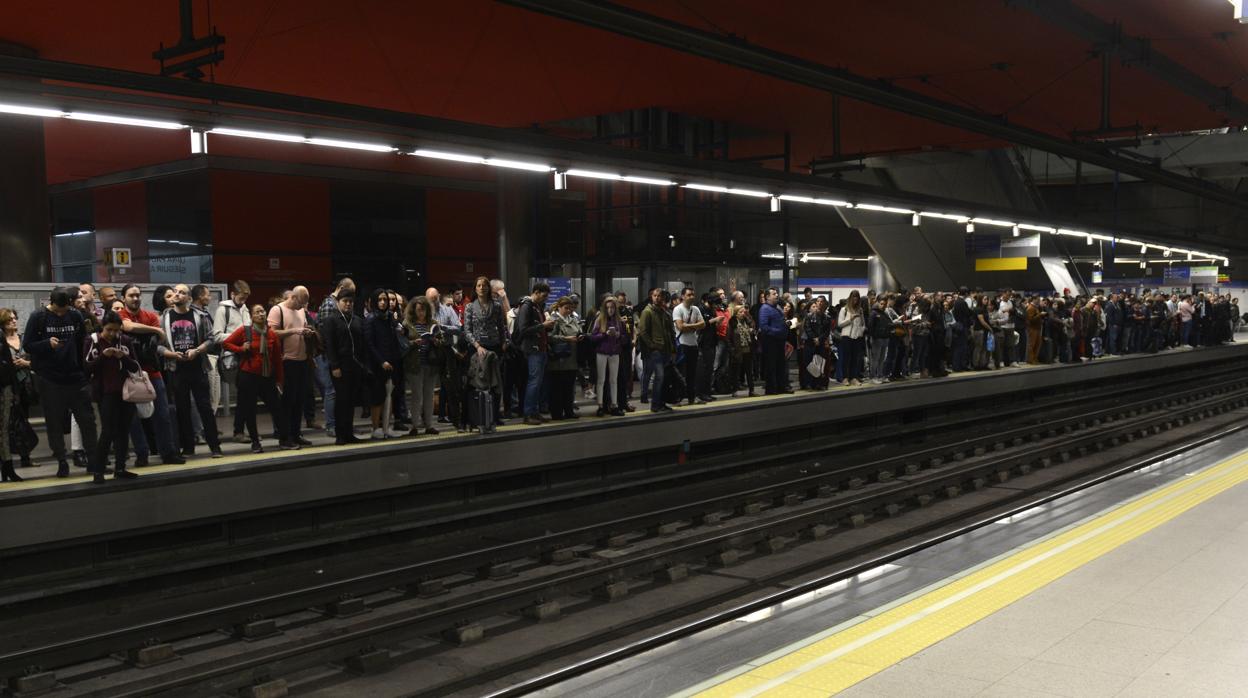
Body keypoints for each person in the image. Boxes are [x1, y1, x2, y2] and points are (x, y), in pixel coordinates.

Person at [23, 287, 100, 477]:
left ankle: (93, 460)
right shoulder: (38, 317)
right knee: (54, 423)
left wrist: (85, 370)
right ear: (51, 303)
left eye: (64, 310)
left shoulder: (74, 316)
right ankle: (61, 460)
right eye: (58, 310)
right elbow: (28, 344)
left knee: (87, 420)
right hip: (50, 378)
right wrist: (46, 344)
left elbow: (84, 341)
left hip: (75, 377)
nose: (61, 313)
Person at [117, 284, 183, 466]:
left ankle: (168, 452)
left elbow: (161, 340)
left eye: (138, 295)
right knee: (133, 417)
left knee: (162, 414)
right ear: (124, 298)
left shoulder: (150, 316)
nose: (136, 298)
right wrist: (154, 330)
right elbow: (127, 327)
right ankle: (142, 454)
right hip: (129, 374)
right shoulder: (120, 315)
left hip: (152, 372)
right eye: (131, 295)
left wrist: (153, 331)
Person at [161, 284, 224, 458]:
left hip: (198, 368)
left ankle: (215, 447)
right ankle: (188, 447)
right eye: (175, 292)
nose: (177, 294)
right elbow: (158, 346)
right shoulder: (165, 317)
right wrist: (171, 354)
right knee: (182, 409)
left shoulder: (200, 315)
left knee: (205, 408)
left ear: (189, 298)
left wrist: (196, 351)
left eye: (182, 292)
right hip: (176, 368)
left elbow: (212, 339)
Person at [223, 304, 294, 453]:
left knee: (276, 408)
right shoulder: (245, 330)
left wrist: (280, 380)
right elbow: (226, 343)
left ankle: (284, 439)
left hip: (267, 376)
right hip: (247, 376)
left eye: (263, 311)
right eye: (257, 312)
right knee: (249, 410)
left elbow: (277, 360)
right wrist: (241, 349)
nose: (261, 314)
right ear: (252, 316)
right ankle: (255, 442)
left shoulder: (271, 334)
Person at [84, 311, 141, 483]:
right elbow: (87, 368)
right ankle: (98, 470)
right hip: (105, 392)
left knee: (123, 431)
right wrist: (103, 356)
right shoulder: (92, 341)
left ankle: (120, 468)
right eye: (109, 330)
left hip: (126, 392)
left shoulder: (125, 341)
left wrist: (123, 356)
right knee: (108, 431)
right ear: (103, 326)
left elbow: (135, 366)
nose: (112, 334)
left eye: (116, 330)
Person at [268, 286, 316, 447]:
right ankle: (284, 437)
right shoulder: (277, 310)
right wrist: (294, 331)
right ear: (293, 297)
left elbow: (302, 327)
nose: (302, 307)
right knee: (287, 401)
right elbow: (272, 334)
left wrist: (307, 331)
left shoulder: (301, 311)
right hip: (285, 361)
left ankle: (296, 433)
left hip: (302, 360)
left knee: (299, 400)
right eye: (300, 303)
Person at [321, 291, 365, 445]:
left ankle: (349, 432)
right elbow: (329, 345)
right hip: (339, 366)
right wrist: (334, 366)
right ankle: (340, 434)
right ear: (338, 302)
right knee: (341, 400)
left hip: (355, 366)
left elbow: (361, 344)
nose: (348, 304)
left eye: (351, 302)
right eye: (345, 301)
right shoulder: (331, 320)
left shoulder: (357, 320)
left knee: (351, 401)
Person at [315, 278, 356, 439]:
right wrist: (333, 362)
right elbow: (327, 335)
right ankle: (332, 426)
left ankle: (344, 426)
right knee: (331, 391)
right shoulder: (329, 305)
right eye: (348, 295)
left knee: (341, 393)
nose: (349, 300)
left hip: (341, 358)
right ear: (340, 288)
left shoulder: (341, 307)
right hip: (329, 357)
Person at [463, 276, 507, 425]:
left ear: (489, 288)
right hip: (476, 347)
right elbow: (467, 330)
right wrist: (477, 346)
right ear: (475, 288)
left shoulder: (496, 306)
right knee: (475, 382)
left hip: (494, 346)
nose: (482, 288)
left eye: (484, 285)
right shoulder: (469, 307)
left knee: (495, 382)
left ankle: (494, 415)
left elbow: (502, 326)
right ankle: (474, 416)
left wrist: (503, 342)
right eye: (479, 285)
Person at [363, 288, 403, 439]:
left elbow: (394, 338)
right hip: (376, 365)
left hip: (392, 362)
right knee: (377, 398)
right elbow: (369, 344)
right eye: (379, 300)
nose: (383, 302)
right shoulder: (371, 319)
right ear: (374, 301)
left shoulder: (389, 319)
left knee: (389, 395)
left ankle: (387, 427)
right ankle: (375, 428)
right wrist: (381, 361)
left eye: (385, 300)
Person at [214, 280, 251, 442]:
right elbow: (217, 335)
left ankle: (244, 430)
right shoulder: (223, 310)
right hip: (233, 357)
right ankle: (239, 431)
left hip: (247, 356)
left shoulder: (245, 309)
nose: (243, 302)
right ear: (232, 295)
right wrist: (238, 338)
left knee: (246, 396)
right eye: (241, 298)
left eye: (245, 299)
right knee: (243, 395)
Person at [1, 308, 35, 481]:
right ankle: (7, 463)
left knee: (15, 423)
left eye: (14, 319)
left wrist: (26, 363)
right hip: (8, 383)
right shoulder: (2, 339)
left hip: (18, 384)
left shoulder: (20, 339)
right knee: (6, 426)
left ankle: (17, 461)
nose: (13, 322)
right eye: (9, 320)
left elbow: (33, 360)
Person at [513, 282, 553, 426]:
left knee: (538, 383)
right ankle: (528, 413)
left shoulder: (537, 307)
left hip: (540, 348)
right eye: (543, 296)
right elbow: (523, 329)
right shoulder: (527, 306)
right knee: (534, 382)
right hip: (532, 349)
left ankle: (534, 411)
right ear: (536, 292)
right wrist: (543, 325)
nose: (545, 299)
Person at [402, 296, 443, 436]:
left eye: (423, 310)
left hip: (430, 364)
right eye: (418, 310)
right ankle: (414, 425)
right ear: (413, 310)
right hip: (414, 365)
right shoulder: (407, 324)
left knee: (429, 395)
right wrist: (414, 342)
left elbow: (441, 341)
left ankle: (429, 425)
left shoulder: (433, 323)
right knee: (416, 395)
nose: (421, 313)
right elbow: (402, 344)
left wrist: (436, 342)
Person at [637, 288, 675, 413]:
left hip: (665, 349)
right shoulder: (647, 312)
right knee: (659, 376)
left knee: (662, 377)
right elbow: (642, 331)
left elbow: (670, 332)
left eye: (660, 296)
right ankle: (655, 404)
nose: (657, 298)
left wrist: (672, 349)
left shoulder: (664, 312)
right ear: (651, 297)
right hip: (655, 350)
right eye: (655, 295)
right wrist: (652, 345)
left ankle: (661, 403)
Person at [547, 297, 583, 420]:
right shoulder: (554, 320)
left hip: (572, 358)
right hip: (558, 359)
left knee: (569, 387)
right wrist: (566, 339)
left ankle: (569, 411)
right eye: (566, 308)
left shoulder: (573, 320)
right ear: (559, 307)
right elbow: (550, 338)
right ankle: (557, 413)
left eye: (570, 308)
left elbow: (578, 331)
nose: (568, 311)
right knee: (558, 388)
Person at [590, 295, 626, 416]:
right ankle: (600, 405)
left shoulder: (619, 321)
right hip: (602, 352)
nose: (610, 310)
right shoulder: (599, 320)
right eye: (608, 307)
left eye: (612, 307)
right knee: (601, 380)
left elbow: (624, 338)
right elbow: (593, 337)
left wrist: (618, 336)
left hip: (614, 352)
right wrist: (604, 334)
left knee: (613, 380)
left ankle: (614, 405)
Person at [672, 288, 706, 405]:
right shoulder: (678, 309)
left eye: (693, 294)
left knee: (692, 373)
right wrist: (695, 326)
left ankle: (692, 397)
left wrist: (689, 325)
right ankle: (678, 398)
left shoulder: (695, 309)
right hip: (682, 345)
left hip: (693, 345)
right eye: (689, 295)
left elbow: (703, 324)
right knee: (681, 373)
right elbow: (681, 327)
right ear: (683, 296)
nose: (691, 296)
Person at [758, 288, 790, 394]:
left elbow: (780, 321)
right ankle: (771, 389)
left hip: (779, 340)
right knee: (771, 366)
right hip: (770, 341)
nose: (777, 295)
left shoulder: (777, 308)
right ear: (767, 297)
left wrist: (786, 324)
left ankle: (781, 387)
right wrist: (778, 331)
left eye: (777, 293)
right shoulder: (765, 308)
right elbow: (764, 326)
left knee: (780, 365)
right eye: (774, 294)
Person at [837, 290, 866, 385]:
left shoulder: (860, 310)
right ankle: (845, 378)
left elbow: (863, 324)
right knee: (846, 358)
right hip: (846, 337)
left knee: (855, 358)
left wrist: (861, 331)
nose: (855, 299)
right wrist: (850, 319)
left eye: (857, 297)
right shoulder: (844, 309)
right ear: (850, 298)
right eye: (854, 297)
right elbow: (840, 324)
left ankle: (853, 377)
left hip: (857, 337)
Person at [727, 303, 757, 396]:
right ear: (736, 313)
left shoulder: (747, 321)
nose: (743, 313)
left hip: (748, 349)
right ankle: (734, 390)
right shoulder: (732, 323)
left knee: (749, 371)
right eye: (741, 312)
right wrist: (732, 350)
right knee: (736, 371)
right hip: (738, 350)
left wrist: (752, 331)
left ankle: (751, 390)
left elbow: (753, 329)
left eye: (744, 311)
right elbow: (728, 338)